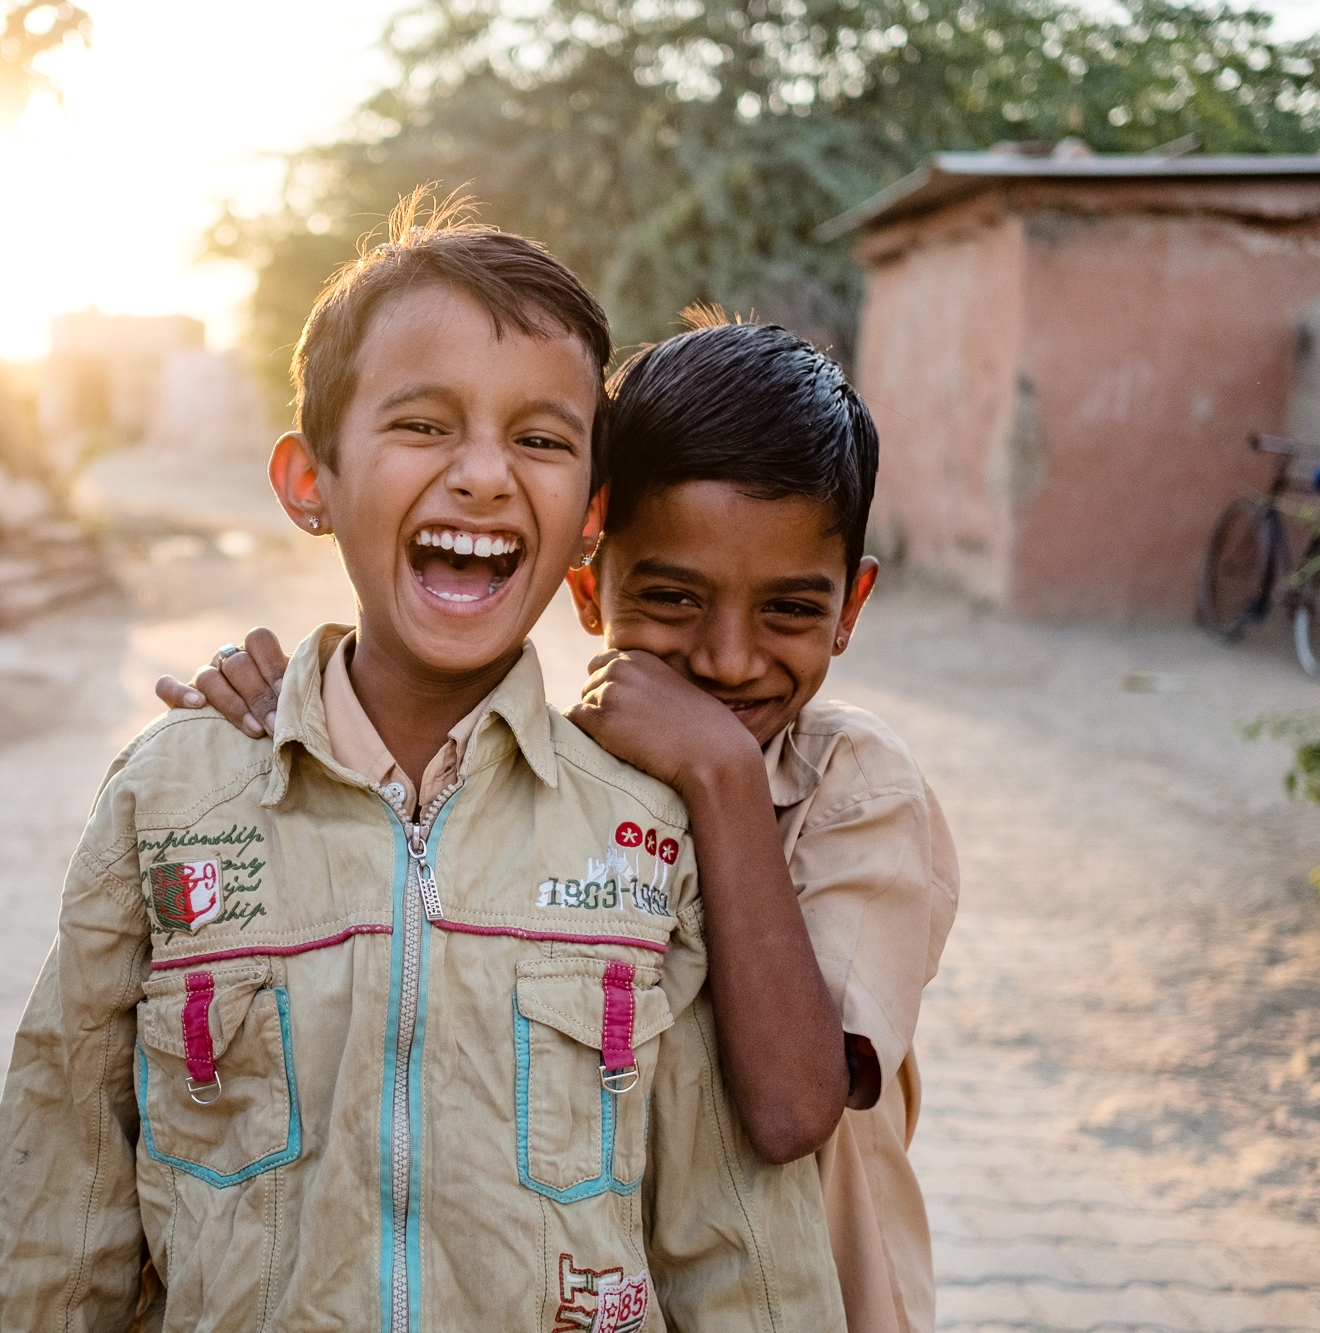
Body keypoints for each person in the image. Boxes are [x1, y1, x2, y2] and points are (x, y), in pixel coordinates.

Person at [0, 203, 847, 1333]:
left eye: (538, 438)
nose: (481, 475)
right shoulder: (171, 799)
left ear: (589, 516)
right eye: (421, 425)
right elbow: (58, 1200)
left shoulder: (644, 828)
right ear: (308, 482)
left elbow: (735, 1249)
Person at [163, 312, 959, 1333]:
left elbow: (790, 1112)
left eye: (788, 611)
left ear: (850, 604)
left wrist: (718, 773)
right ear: (587, 588)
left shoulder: (853, 789)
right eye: (671, 597)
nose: (726, 658)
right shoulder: (553, 768)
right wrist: (299, 714)